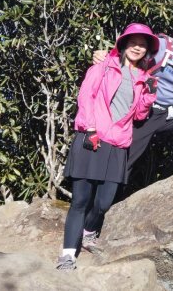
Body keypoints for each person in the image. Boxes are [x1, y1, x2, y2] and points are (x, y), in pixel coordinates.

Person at [57, 23, 159, 270]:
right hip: (92, 138)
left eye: (143, 44)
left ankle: (89, 231)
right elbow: (86, 98)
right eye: (133, 42)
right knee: (80, 199)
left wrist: (149, 95)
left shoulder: (144, 78)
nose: (137, 47)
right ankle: (68, 255)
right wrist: (90, 128)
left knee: (104, 202)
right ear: (123, 44)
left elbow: (140, 116)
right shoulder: (102, 67)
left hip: (118, 144)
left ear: (147, 50)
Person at [93, 12, 173, 185]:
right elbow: (131, 49)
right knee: (125, 160)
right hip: (142, 112)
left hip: (167, 115)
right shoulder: (161, 45)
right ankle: (106, 201)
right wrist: (107, 55)